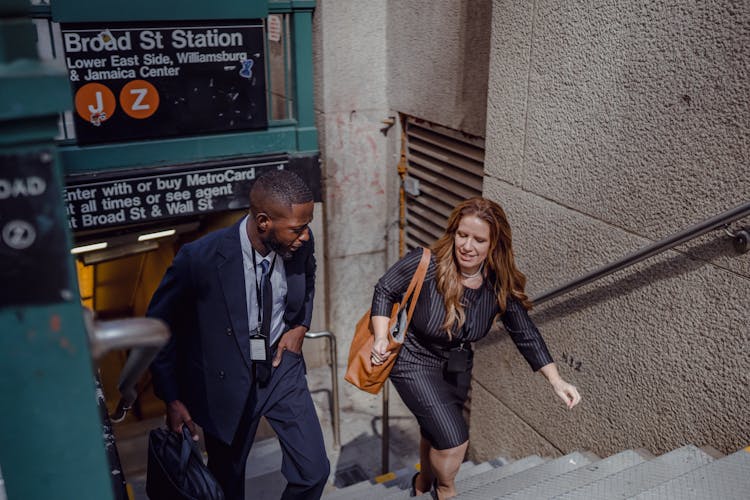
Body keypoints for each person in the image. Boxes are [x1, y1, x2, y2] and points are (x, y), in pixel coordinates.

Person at [370, 197, 581, 499]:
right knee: (454, 439)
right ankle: (445, 489)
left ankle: (420, 484)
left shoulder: (497, 285)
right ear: (453, 232)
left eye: (479, 239)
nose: (467, 246)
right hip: (414, 359)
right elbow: (385, 289)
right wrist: (380, 336)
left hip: (457, 365)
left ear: (494, 244)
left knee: (436, 431)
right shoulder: (425, 263)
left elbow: (525, 333)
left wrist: (556, 379)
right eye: (462, 235)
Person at [147, 169, 330, 500]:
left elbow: (309, 273)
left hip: (280, 368)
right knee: (227, 484)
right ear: (263, 222)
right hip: (225, 384)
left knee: (314, 471)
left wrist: (301, 325)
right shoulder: (198, 259)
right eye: (297, 229)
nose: (305, 236)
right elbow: (159, 325)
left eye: (307, 227)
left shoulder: (300, 243)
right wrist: (171, 397)